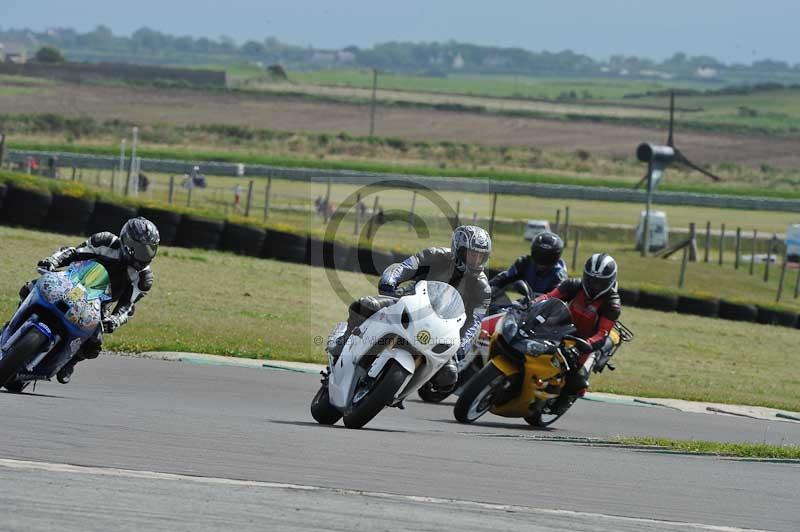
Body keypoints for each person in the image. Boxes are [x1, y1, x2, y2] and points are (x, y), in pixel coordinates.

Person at [329, 225, 493, 391]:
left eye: (480, 256)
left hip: (443, 327)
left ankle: (406, 387)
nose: (476, 259)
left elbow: (474, 322)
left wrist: (461, 345)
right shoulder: (435, 255)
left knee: (449, 375)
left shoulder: (483, 288)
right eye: (472, 254)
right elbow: (405, 267)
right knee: (365, 305)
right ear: (458, 250)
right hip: (408, 303)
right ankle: (343, 342)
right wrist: (390, 280)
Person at [19, 217, 160, 384]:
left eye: (150, 250)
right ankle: (16, 324)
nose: (145, 255)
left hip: (99, 303)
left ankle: (69, 362)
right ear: (126, 241)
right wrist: (51, 262)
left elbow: (128, 305)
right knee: (30, 288)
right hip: (72, 281)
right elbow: (72, 252)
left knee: (94, 343)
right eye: (140, 249)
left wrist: (114, 320)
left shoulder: (144, 277)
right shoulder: (105, 241)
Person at [533, 253, 621, 403]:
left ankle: (562, 402)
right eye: (590, 280)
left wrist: (586, 345)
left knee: (577, 382)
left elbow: (602, 333)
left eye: (599, 283)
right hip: (562, 329)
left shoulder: (611, 304)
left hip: (586, 343)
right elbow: (549, 297)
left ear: (609, 281)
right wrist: (532, 303)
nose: (593, 286)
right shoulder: (573, 285)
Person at [489, 231, 567, 301]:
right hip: (527, 304)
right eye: (539, 254)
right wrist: (487, 288)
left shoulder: (559, 276)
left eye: (548, 257)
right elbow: (504, 278)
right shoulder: (524, 263)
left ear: (556, 257)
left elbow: (556, 299)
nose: (542, 261)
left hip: (547, 311)